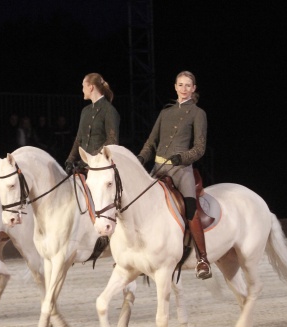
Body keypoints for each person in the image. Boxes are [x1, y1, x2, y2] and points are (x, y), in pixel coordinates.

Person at [137, 70, 211, 280]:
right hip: (158, 167)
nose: (184, 89)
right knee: (138, 202)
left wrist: (183, 158)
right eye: (180, 85)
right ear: (175, 87)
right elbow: (151, 142)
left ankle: (202, 259)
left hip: (181, 169)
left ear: (193, 89)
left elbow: (200, 147)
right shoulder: (165, 113)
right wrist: (141, 158)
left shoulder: (198, 113)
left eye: (188, 85)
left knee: (190, 206)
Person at [65, 73, 120, 174]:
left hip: (100, 167)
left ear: (91, 87)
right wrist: (70, 160)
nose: (82, 89)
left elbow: (112, 141)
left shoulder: (109, 110)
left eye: (83, 86)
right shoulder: (85, 111)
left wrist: (90, 158)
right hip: (83, 166)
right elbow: (79, 139)